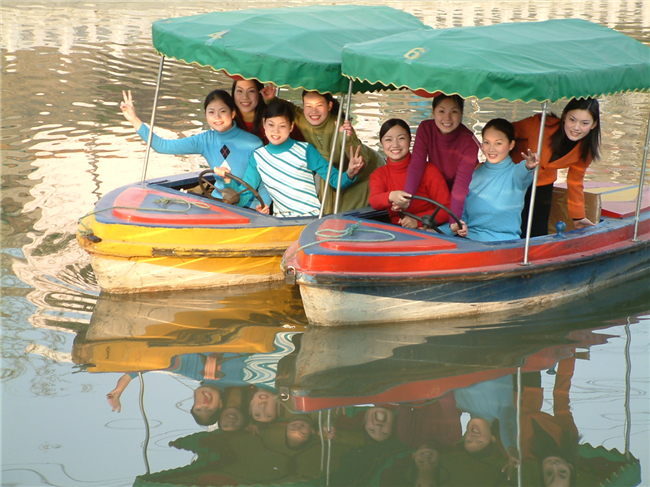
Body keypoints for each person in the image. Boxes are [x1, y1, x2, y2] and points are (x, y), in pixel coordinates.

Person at [119, 89, 270, 208]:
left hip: (249, 207)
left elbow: (262, 183)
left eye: (222, 111)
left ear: (233, 113)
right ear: (205, 115)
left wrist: (265, 207)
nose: (217, 117)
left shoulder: (253, 143)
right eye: (211, 112)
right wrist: (134, 119)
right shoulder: (204, 140)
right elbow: (162, 146)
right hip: (218, 202)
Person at [215, 100, 365, 217]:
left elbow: (335, 180)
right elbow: (243, 195)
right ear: (264, 125)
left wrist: (350, 172)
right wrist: (227, 179)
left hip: (311, 219)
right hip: (280, 221)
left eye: (282, 126)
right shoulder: (258, 157)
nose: (275, 131)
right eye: (271, 125)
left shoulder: (306, 150)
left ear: (291, 127)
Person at [264, 89, 385, 213]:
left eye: (319, 105)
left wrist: (348, 140)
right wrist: (271, 99)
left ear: (329, 106)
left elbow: (361, 158)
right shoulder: (303, 119)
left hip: (363, 175)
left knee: (342, 213)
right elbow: (288, 108)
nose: (313, 111)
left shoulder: (341, 126)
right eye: (308, 106)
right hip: (331, 174)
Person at [513, 97, 601, 236]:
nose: (576, 128)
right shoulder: (540, 124)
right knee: (511, 226)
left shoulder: (586, 150)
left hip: (542, 186)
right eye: (572, 120)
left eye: (584, 123)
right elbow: (505, 133)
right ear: (564, 115)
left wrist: (578, 217)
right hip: (513, 179)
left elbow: (575, 181)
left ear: (593, 124)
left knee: (537, 232)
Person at [395, 94, 480, 225]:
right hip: (437, 191)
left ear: (462, 113)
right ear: (433, 112)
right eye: (441, 111)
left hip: (465, 196)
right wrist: (406, 199)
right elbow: (417, 166)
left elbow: (461, 187)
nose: (447, 118)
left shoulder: (469, 141)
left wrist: (454, 222)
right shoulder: (425, 128)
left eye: (454, 111)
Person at [450, 118, 539, 241]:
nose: (491, 149)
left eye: (498, 143)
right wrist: (460, 227)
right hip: (468, 240)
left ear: (511, 145)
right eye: (487, 142)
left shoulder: (515, 173)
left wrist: (528, 165)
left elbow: (523, 172)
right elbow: (462, 213)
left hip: (504, 243)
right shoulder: (473, 173)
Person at [369, 118, 450, 229]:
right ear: (381, 143)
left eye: (401, 138)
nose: (395, 144)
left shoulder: (429, 170)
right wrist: (392, 196)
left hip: (428, 231)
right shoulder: (379, 174)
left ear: (410, 140)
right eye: (388, 140)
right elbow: (374, 201)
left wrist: (418, 221)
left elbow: (447, 208)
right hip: (396, 232)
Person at [231, 78, 304, 145]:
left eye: (251, 91)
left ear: (260, 93)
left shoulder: (274, 116)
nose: (245, 97)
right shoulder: (226, 118)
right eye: (239, 91)